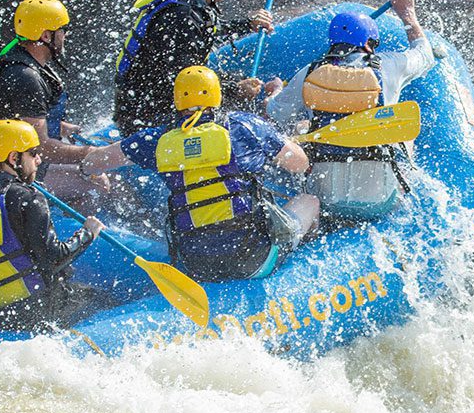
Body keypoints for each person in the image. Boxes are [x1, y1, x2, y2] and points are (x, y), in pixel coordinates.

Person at [84, 66, 318, 281]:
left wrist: (87, 172)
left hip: (195, 264)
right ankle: (301, 267)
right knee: (310, 201)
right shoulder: (246, 126)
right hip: (253, 257)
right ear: (217, 97)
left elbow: (95, 161)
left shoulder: (157, 140)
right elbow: (300, 163)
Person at [266, 0, 435, 220]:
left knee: (302, 126)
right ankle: (409, 190)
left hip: (326, 196)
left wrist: (275, 91)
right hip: (381, 196)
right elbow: (426, 55)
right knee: (404, 134)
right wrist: (407, 13)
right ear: (368, 44)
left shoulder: (308, 73)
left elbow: (275, 114)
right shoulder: (389, 66)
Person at [0, 119, 109, 331]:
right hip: (43, 307)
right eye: (33, 153)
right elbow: (54, 258)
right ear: (14, 158)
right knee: (103, 300)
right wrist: (88, 233)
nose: (39, 159)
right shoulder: (28, 197)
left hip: (1, 312)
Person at [112, 0, 280, 135]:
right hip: (149, 118)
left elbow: (208, 30)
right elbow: (184, 81)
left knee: (237, 84)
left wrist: (248, 25)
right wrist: (235, 90)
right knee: (237, 113)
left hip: (150, 104)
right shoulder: (181, 15)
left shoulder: (187, 4)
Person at [0, 0, 100, 184]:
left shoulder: (14, 59)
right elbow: (43, 148)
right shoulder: (25, 77)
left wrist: (61, 127)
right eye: (62, 30)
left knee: (93, 172)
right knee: (100, 181)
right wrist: (92, 153)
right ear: (45, 36)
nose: (64, 36)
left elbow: (15, 117)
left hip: (2, 170)